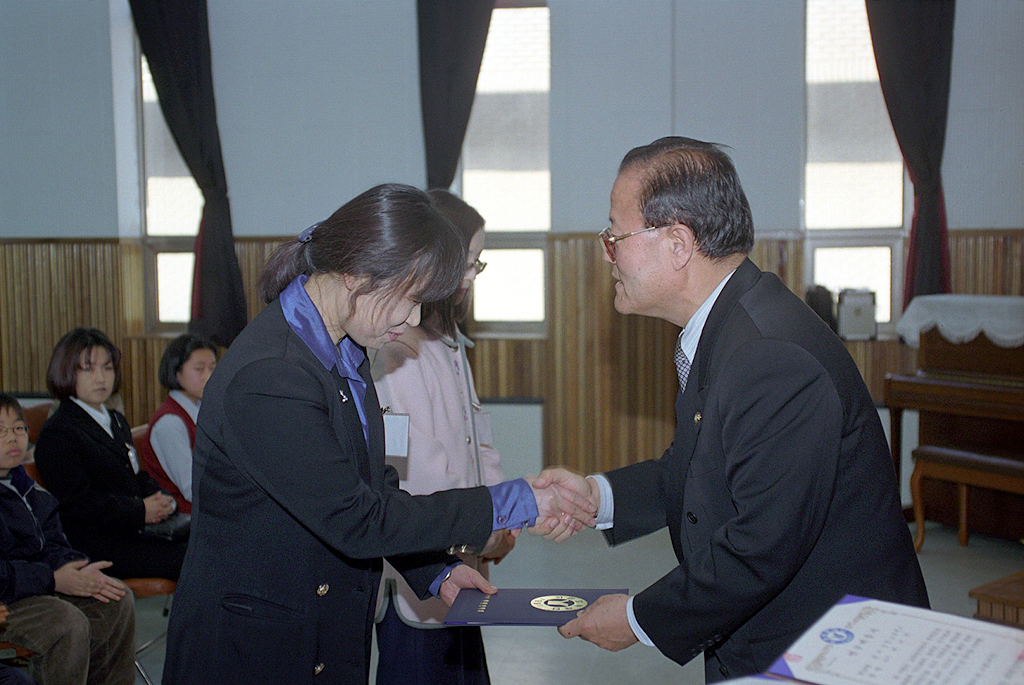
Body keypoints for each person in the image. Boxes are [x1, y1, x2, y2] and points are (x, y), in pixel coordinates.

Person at [161, 183, 595, 685]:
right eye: (410, 299)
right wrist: (513, 501)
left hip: (318, 635)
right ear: (356, 273)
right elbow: (357, 518)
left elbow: (373, 484)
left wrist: (433, 571)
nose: (413, 319)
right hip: (253, 649)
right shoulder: (271, 374)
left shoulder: (343, 349)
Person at [536, 137, 929, 682]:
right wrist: (596, 496)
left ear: (678, 243)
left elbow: (762, 545)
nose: (608, 254)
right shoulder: (730, 323)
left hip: (832, 652)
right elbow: (696, 469)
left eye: (614, 236)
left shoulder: (769, 354)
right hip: (782, 638)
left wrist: (637, 619)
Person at [371, 190, 513, 685]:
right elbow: (411, 465)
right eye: (468, 261)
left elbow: (479, 440)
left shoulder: (449, 343)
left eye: (477, 263)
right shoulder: (396, 349)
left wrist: (502, 512)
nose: (472, 274)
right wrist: (482, 520)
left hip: (463, 555)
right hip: (422, 570)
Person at [0, 393, 136, 685]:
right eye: (0, 431)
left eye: (18, 428)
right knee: (65, 621)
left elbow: (54, 542)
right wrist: (52, 579)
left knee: (116, 598)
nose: (12, 437)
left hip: (40, 586)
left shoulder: (28, 488)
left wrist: (74, 568)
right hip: (8, 600)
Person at [33, 328, 187, 580]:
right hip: (97, 543)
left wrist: (163, 500)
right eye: (88, 369)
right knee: (194, 559)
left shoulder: (115, 420)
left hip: (134, 530)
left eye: (107, 368)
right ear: (66, 372)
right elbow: (79, 503)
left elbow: (135, 475)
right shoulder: (58, 432)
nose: (101, 378)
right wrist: (139, 510)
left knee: (209, 543)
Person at [139, 333, 219, 513]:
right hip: (187, 516)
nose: (209, 376)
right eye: (199, 369)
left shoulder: (201, 409)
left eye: (213, 368)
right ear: (176, 371)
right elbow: (193, 489)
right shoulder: (170, 422)